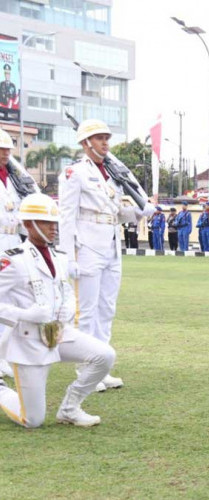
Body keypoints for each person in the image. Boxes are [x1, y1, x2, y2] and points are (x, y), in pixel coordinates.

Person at [0, 193, 116, 428]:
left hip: (59, 333)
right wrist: (24, 315)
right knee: (32, 420)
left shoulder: (60, 257)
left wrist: (67, 308)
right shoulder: (13, 260)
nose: (54, 229)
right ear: (28, 224)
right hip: (29, 341)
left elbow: (64, 289)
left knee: (104, 355)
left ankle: (70, 408)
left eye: (55, 223)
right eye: (46, 223)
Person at [57, 119, 155, 391]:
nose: (105, 143)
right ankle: (86, 368)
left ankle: (101, 367)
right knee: (86, 311)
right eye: (99, 138)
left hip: (112, 245)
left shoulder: (112, 174)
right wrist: (68, 255)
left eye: (106, 138)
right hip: (86, 247)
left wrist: (137, 212)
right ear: (86, 143)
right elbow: (67, 216)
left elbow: (113, 213)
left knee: (106, 309)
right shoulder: (74, 173)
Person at [0, 128, 37, 379]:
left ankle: (4, 355)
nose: (6, 153)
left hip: (13, 240)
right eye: (1, 149)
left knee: (12, 301)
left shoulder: (13, 178)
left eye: (8, 149)